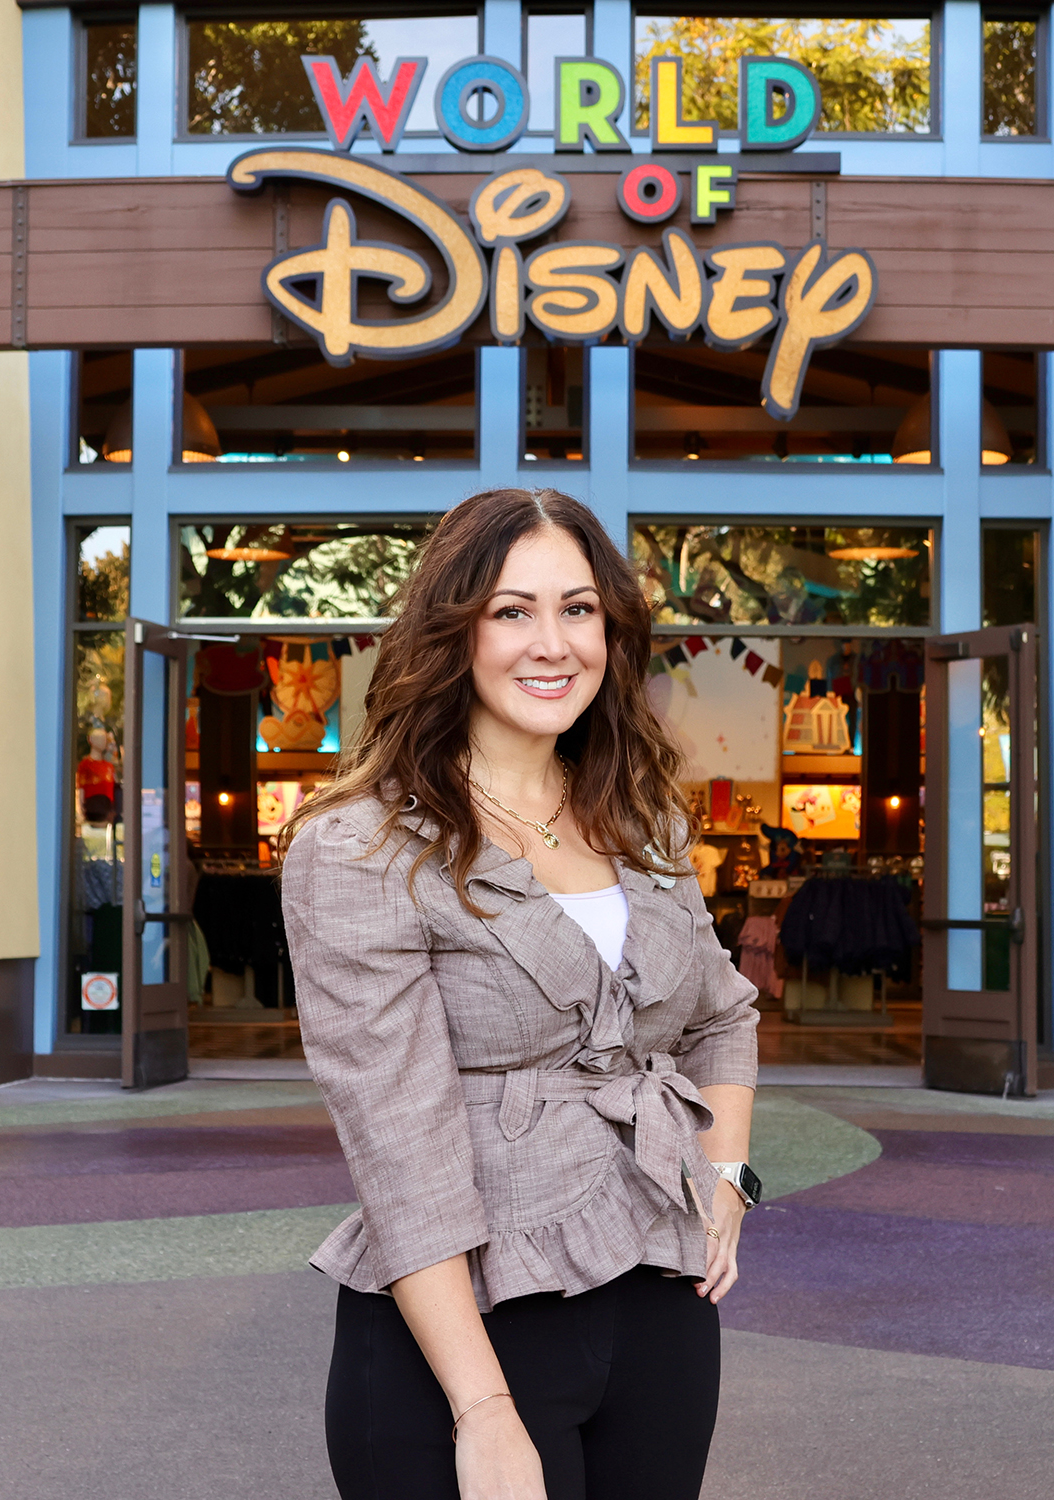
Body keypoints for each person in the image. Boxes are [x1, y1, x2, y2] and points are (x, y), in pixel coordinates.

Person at [280, 488, 759, 1500]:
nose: (554, 644)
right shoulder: (360, 846)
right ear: (453, 631)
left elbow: (724, 1016)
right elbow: (399, 1147)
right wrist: (485, 1411)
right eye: (513, 611)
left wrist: (727, 1181)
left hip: (662, 1305)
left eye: (579, 609)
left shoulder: (641, 820)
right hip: (463, 1334)